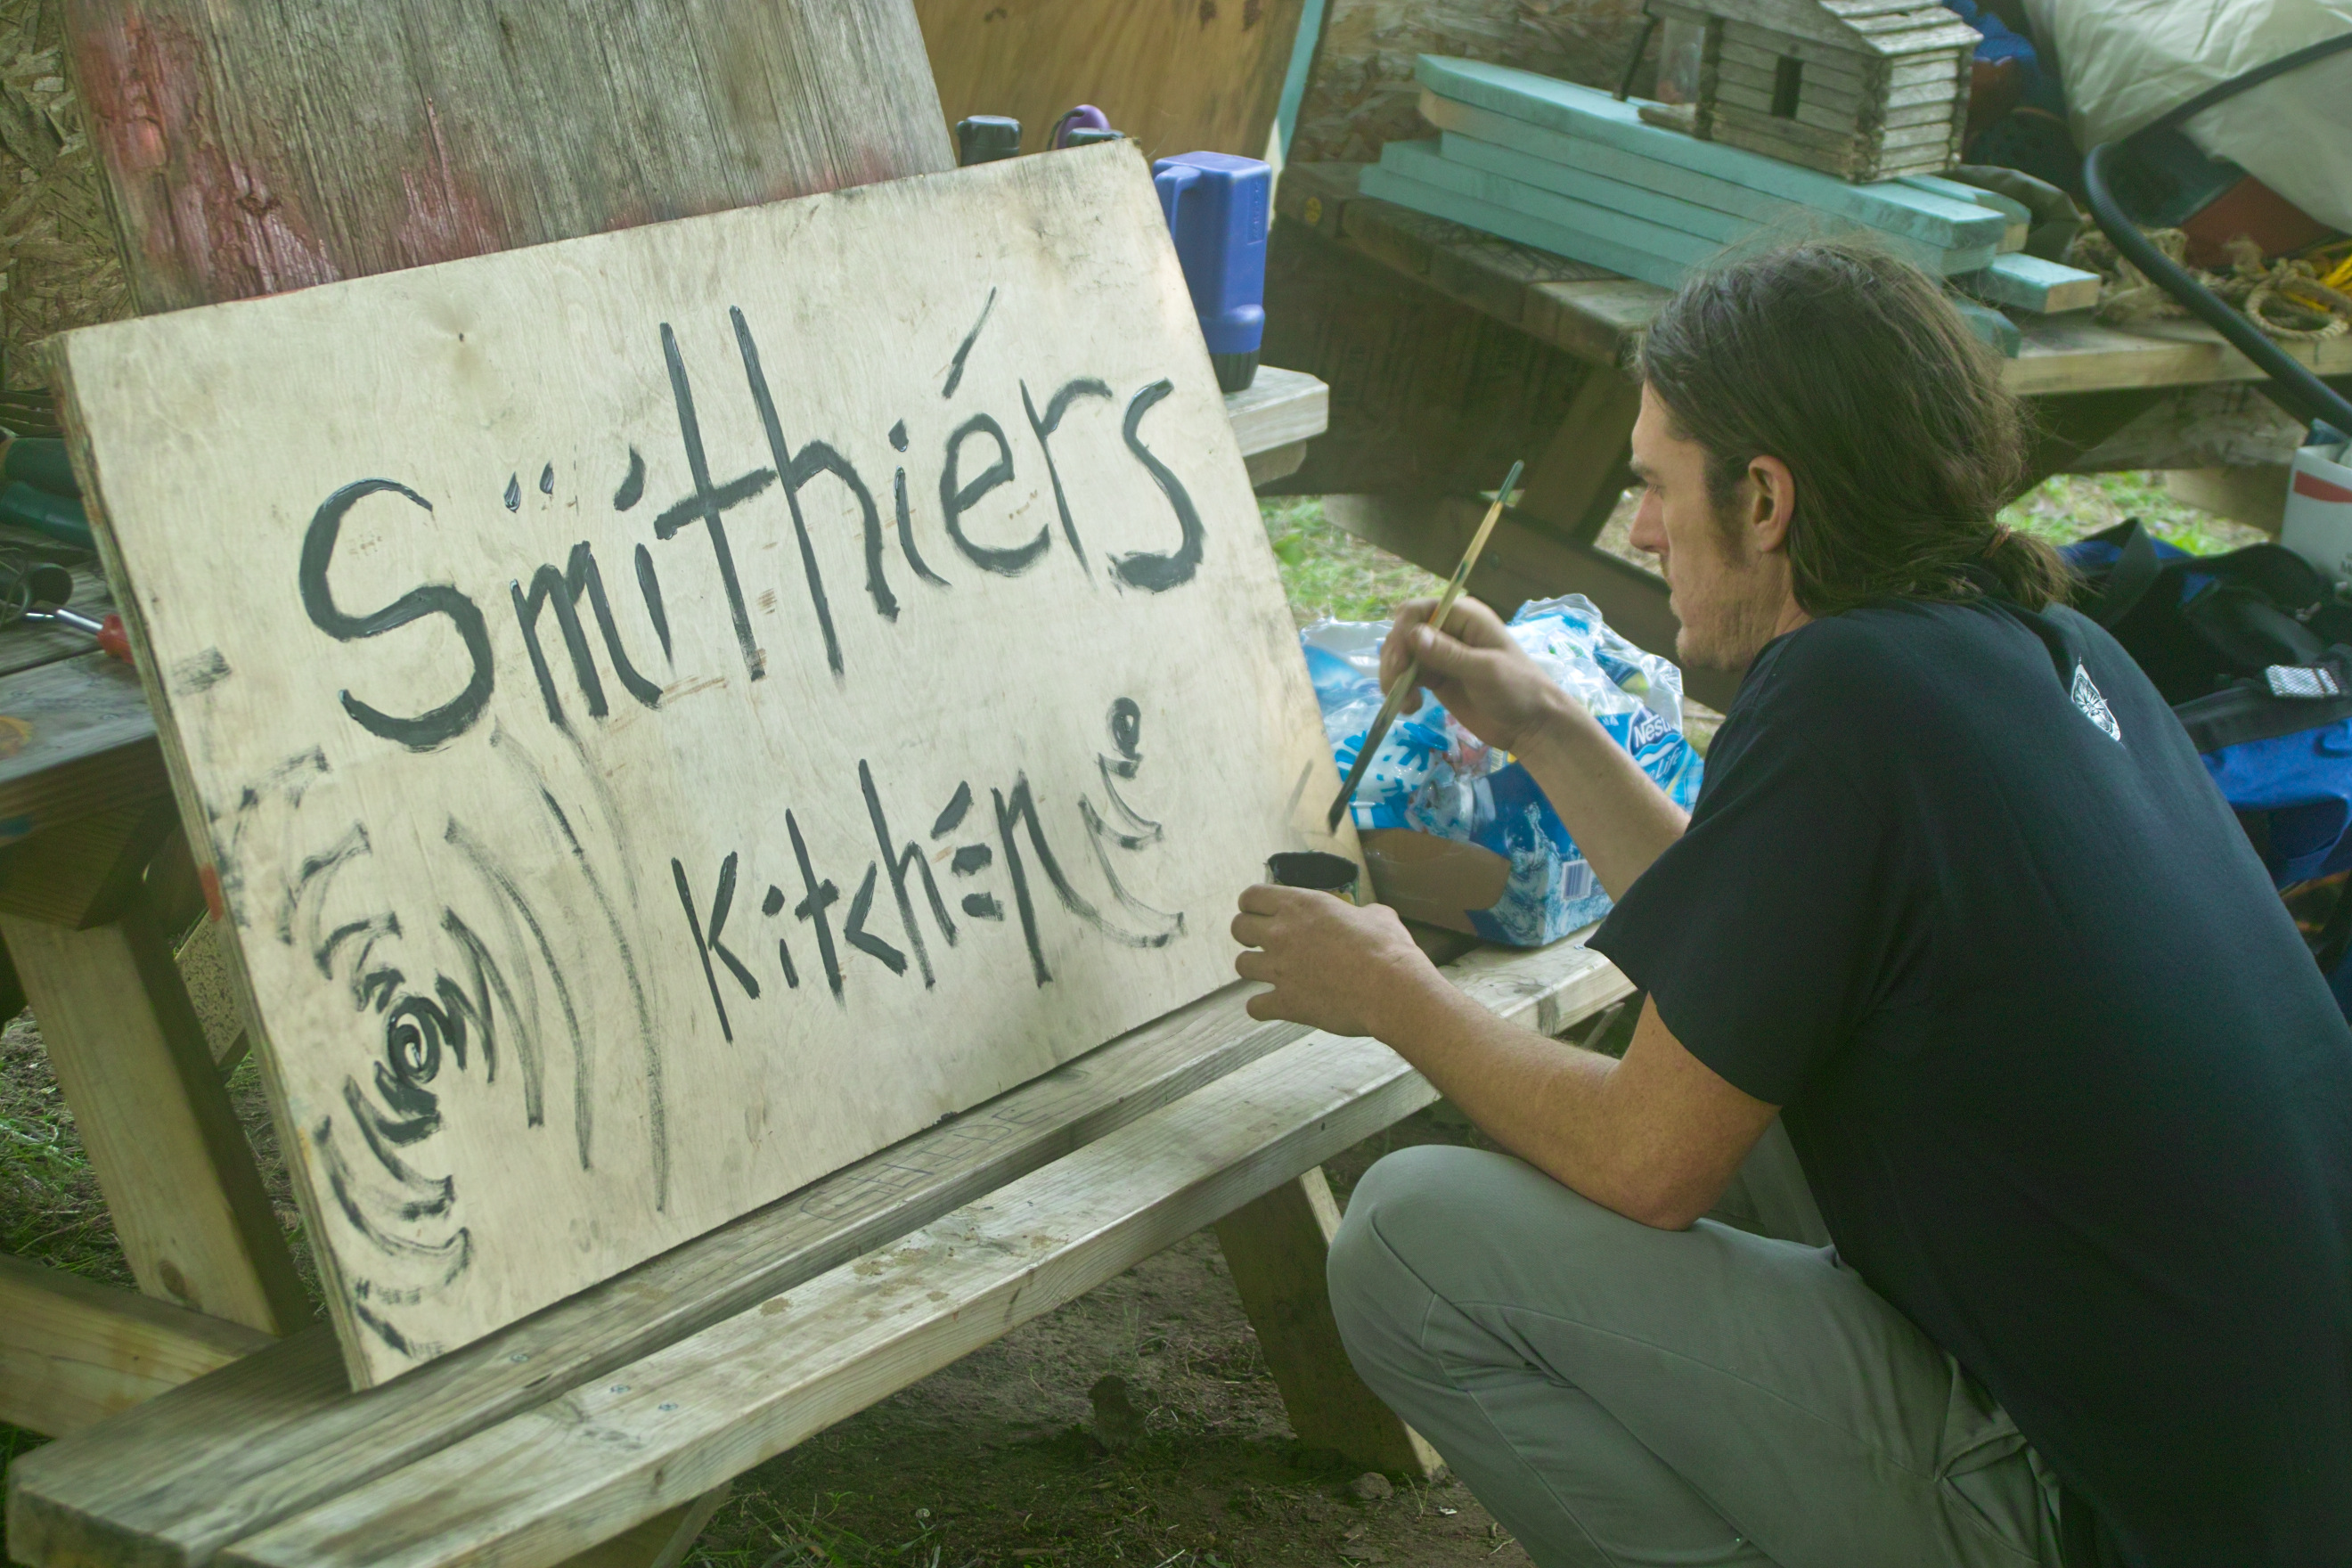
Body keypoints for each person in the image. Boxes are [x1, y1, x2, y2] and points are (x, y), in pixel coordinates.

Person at [1229, 241, 2352, 1568]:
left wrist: (1395, 994)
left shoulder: (1844, 695)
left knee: (1409, 1243)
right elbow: (1757, 940)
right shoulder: (2039, 647)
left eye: (1655, 484)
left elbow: (1647, 1164)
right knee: (1737, 1073)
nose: (1642, 530)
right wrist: (1547, 726)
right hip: (2253, 1468)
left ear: (1764, 498)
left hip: (2109, 1511)